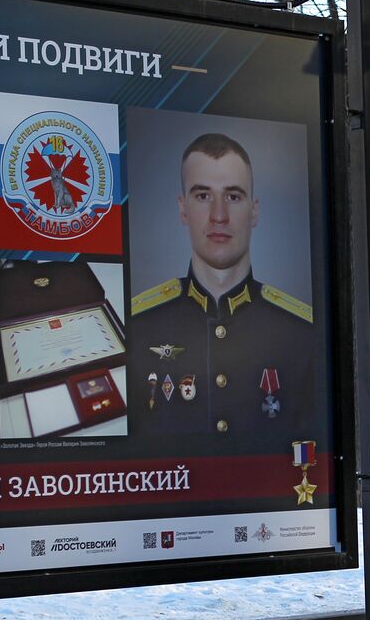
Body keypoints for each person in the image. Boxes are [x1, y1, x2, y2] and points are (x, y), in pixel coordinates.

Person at [129, 132, 315, 438]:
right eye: (203, 196)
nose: (219, 215)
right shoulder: (137, 326)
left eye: (233, 196)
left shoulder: (302, 331)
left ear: (254, 211)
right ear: (182, 209)